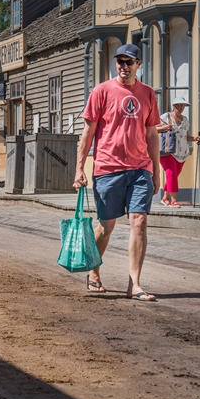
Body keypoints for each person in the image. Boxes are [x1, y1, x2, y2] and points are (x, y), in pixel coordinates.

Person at [73, 44, 161, 301]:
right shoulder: (101, 91)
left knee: (139, 222)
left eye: (129, 62)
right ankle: (94, 271)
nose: (124, 66)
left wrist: (155, 171)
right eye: (120, 61)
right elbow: (88, 133)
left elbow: (152, 134)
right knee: (105, 227)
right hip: (108, 169)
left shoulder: (147, 93)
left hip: (140, 169)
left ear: (138, 64)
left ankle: (134, 283)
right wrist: (80, 168)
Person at [156, 97, 200, 206]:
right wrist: (166, 127)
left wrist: (194, 138)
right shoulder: (165, 117)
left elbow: (186, 136)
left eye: (183, 105)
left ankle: (165, 198)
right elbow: (154, 129)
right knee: (171, 173)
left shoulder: (185, 120)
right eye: (179, 105)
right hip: (167, 151)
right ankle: (174, 200)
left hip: (182, 153)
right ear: (174, 106)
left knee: (174, 175)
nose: (181, 107)